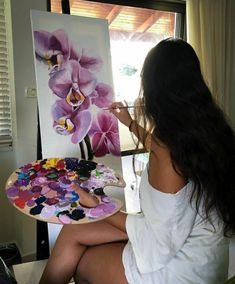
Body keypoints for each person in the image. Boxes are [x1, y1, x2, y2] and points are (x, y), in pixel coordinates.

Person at [39, 38, 235, 284]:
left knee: (83, 262)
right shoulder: (211, 131)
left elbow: (158, 243)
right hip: (206, 255)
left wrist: (98, 203)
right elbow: (164, 148)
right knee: (74, 230)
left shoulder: (168, 151)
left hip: (180, 269)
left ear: (154, 90)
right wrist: (129, 122)